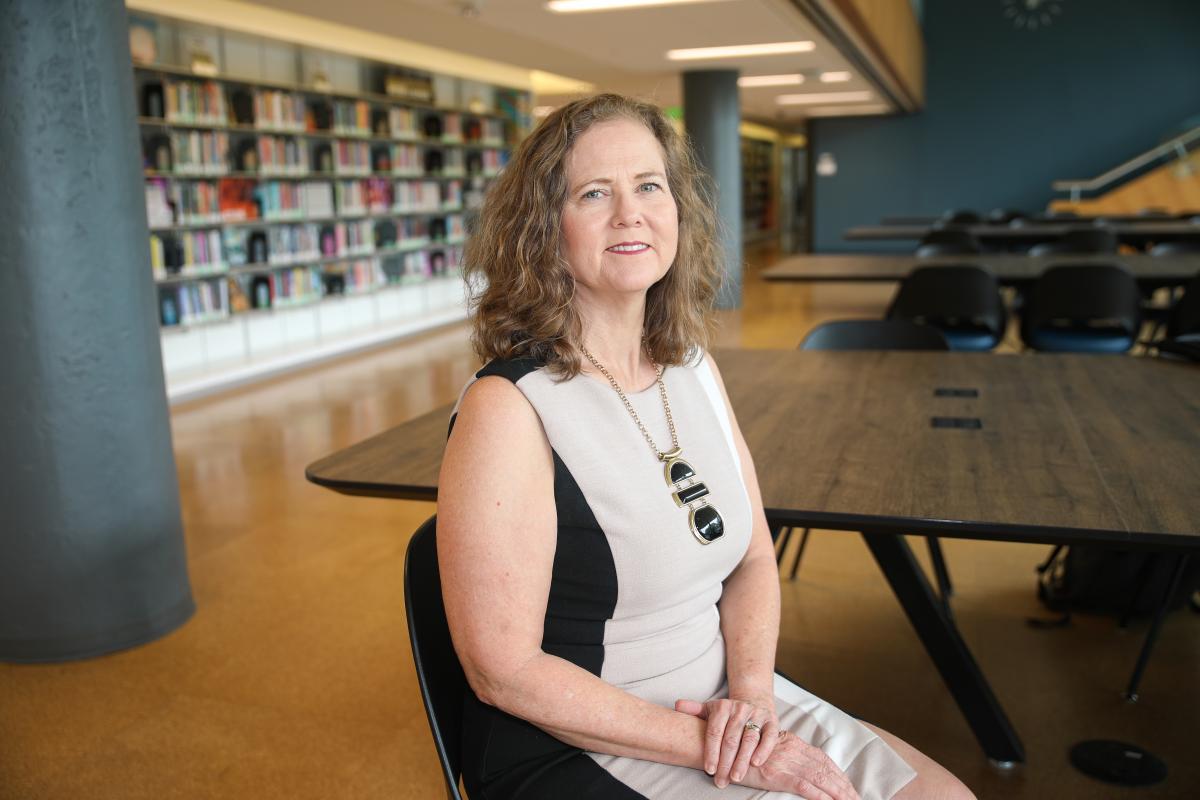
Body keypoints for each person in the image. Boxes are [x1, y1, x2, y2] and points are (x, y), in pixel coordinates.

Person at [438, 93, 975, 800]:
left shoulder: (691, 366)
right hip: (587, 737)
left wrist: (752, 704)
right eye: (595, 193)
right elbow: (501, 671)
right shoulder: (508, 408)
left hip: (730, 706)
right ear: (543, 229)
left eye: (649, 186)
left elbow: (753, 553)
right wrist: (719, 747)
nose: (630, 213)